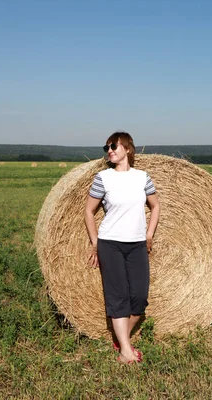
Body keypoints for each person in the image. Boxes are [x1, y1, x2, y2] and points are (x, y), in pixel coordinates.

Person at [84, 131, 160, 364]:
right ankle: (125, 351)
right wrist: (96, 243)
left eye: (114, 146)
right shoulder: (103, 178)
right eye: (106, 148)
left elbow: (155, 207)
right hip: (111, 244)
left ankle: (121, 339)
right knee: (118, 297)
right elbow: (89, 211)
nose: (109, 151)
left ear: (127, 148)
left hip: (137, 244)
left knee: (139, 298)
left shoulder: (142, 177)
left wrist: (149, 235)